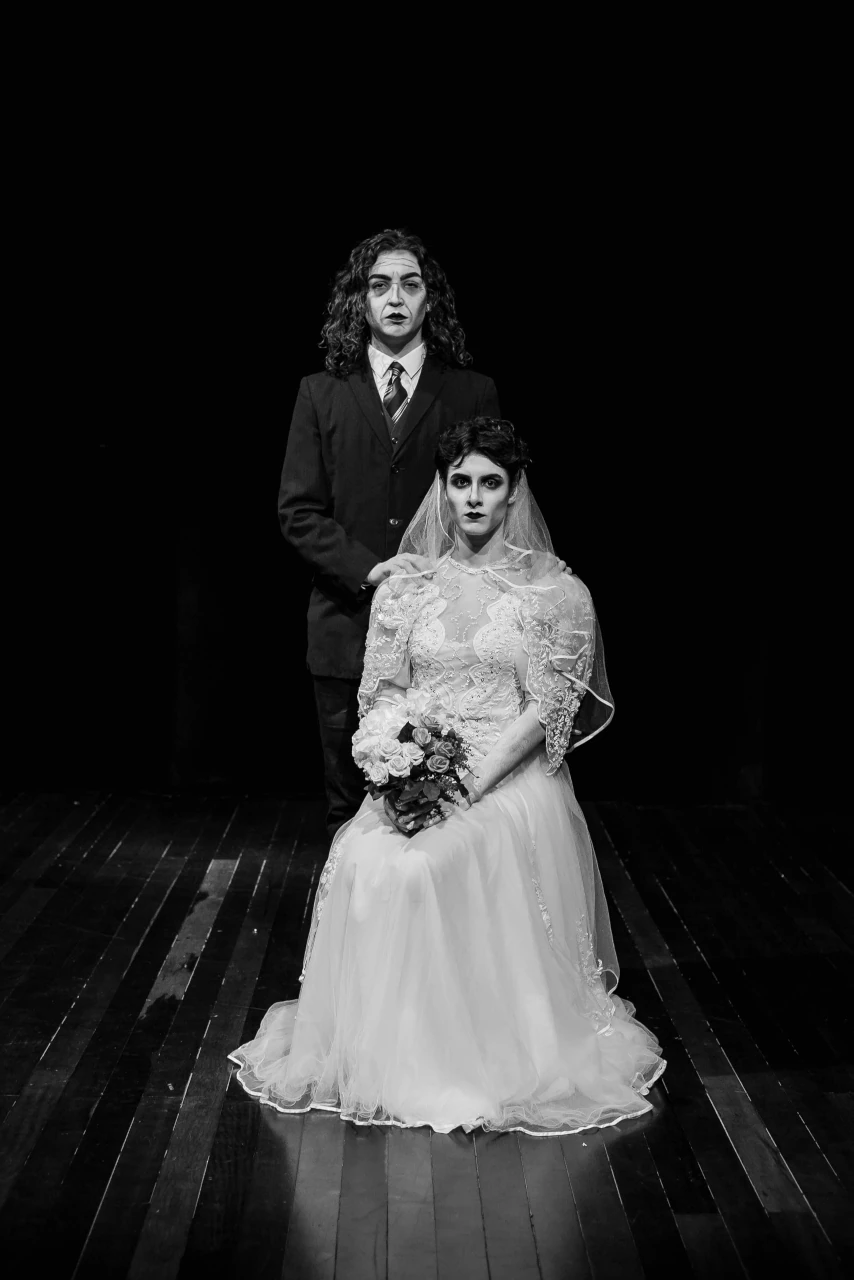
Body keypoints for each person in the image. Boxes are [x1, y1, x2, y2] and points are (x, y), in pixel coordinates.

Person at [230, 418, 665, 1136]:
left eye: (490, 483)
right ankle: (382, 1055)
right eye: (460, 481)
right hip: (418, 773)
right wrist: (398, 773)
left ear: (514, 491)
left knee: (424, 867)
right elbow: (383, 693)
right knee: (360, 855)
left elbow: (546, 711)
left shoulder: (555, 593)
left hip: (506, 777)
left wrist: (466, 786)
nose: (474, 498)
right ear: (442, 488)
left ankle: (462, 1060)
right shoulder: (407, 588)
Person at [279, 228, 501, 838]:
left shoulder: (471, 391)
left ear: (432, 299)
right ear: (361, 300)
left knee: (443, 814)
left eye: (410, 284)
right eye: (379, 286)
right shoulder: (321, 393)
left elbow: (491, 500)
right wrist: (369, 569)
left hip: (444, 632)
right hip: (346, 626)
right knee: (347, 812)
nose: (395, 298)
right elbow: (298, 511)